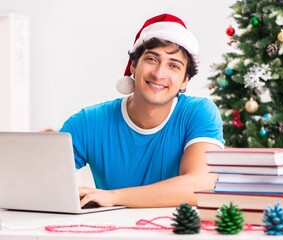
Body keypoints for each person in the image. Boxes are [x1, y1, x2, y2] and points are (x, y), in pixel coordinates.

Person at [60, 13, 225, 208]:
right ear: (133, 66)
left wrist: (114, 197)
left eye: (173, 65)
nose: (159, 74)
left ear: (185, 80)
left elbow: (201, 184)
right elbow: (43, 179)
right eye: (152, 59)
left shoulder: (199, 113)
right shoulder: (87, 122)